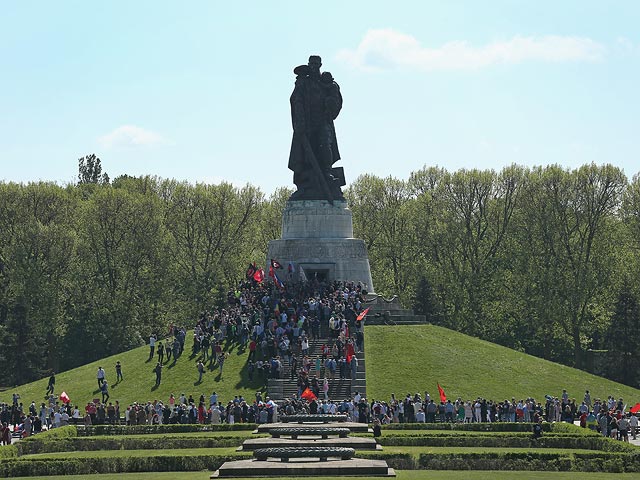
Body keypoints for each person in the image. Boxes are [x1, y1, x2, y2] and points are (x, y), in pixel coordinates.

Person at [288, 55, 344, 201]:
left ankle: (327, 174)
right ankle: (305, 185)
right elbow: (295, 100)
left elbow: (337, 102)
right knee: (305, 156)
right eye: (311, 64)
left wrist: (330, 102)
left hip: (323, 123)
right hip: (307, 125)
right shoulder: (303, 83)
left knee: (325, 146)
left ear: (320, 65)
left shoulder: (326, 83)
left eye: (316, 64)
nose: (313, 66)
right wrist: (299, 123)